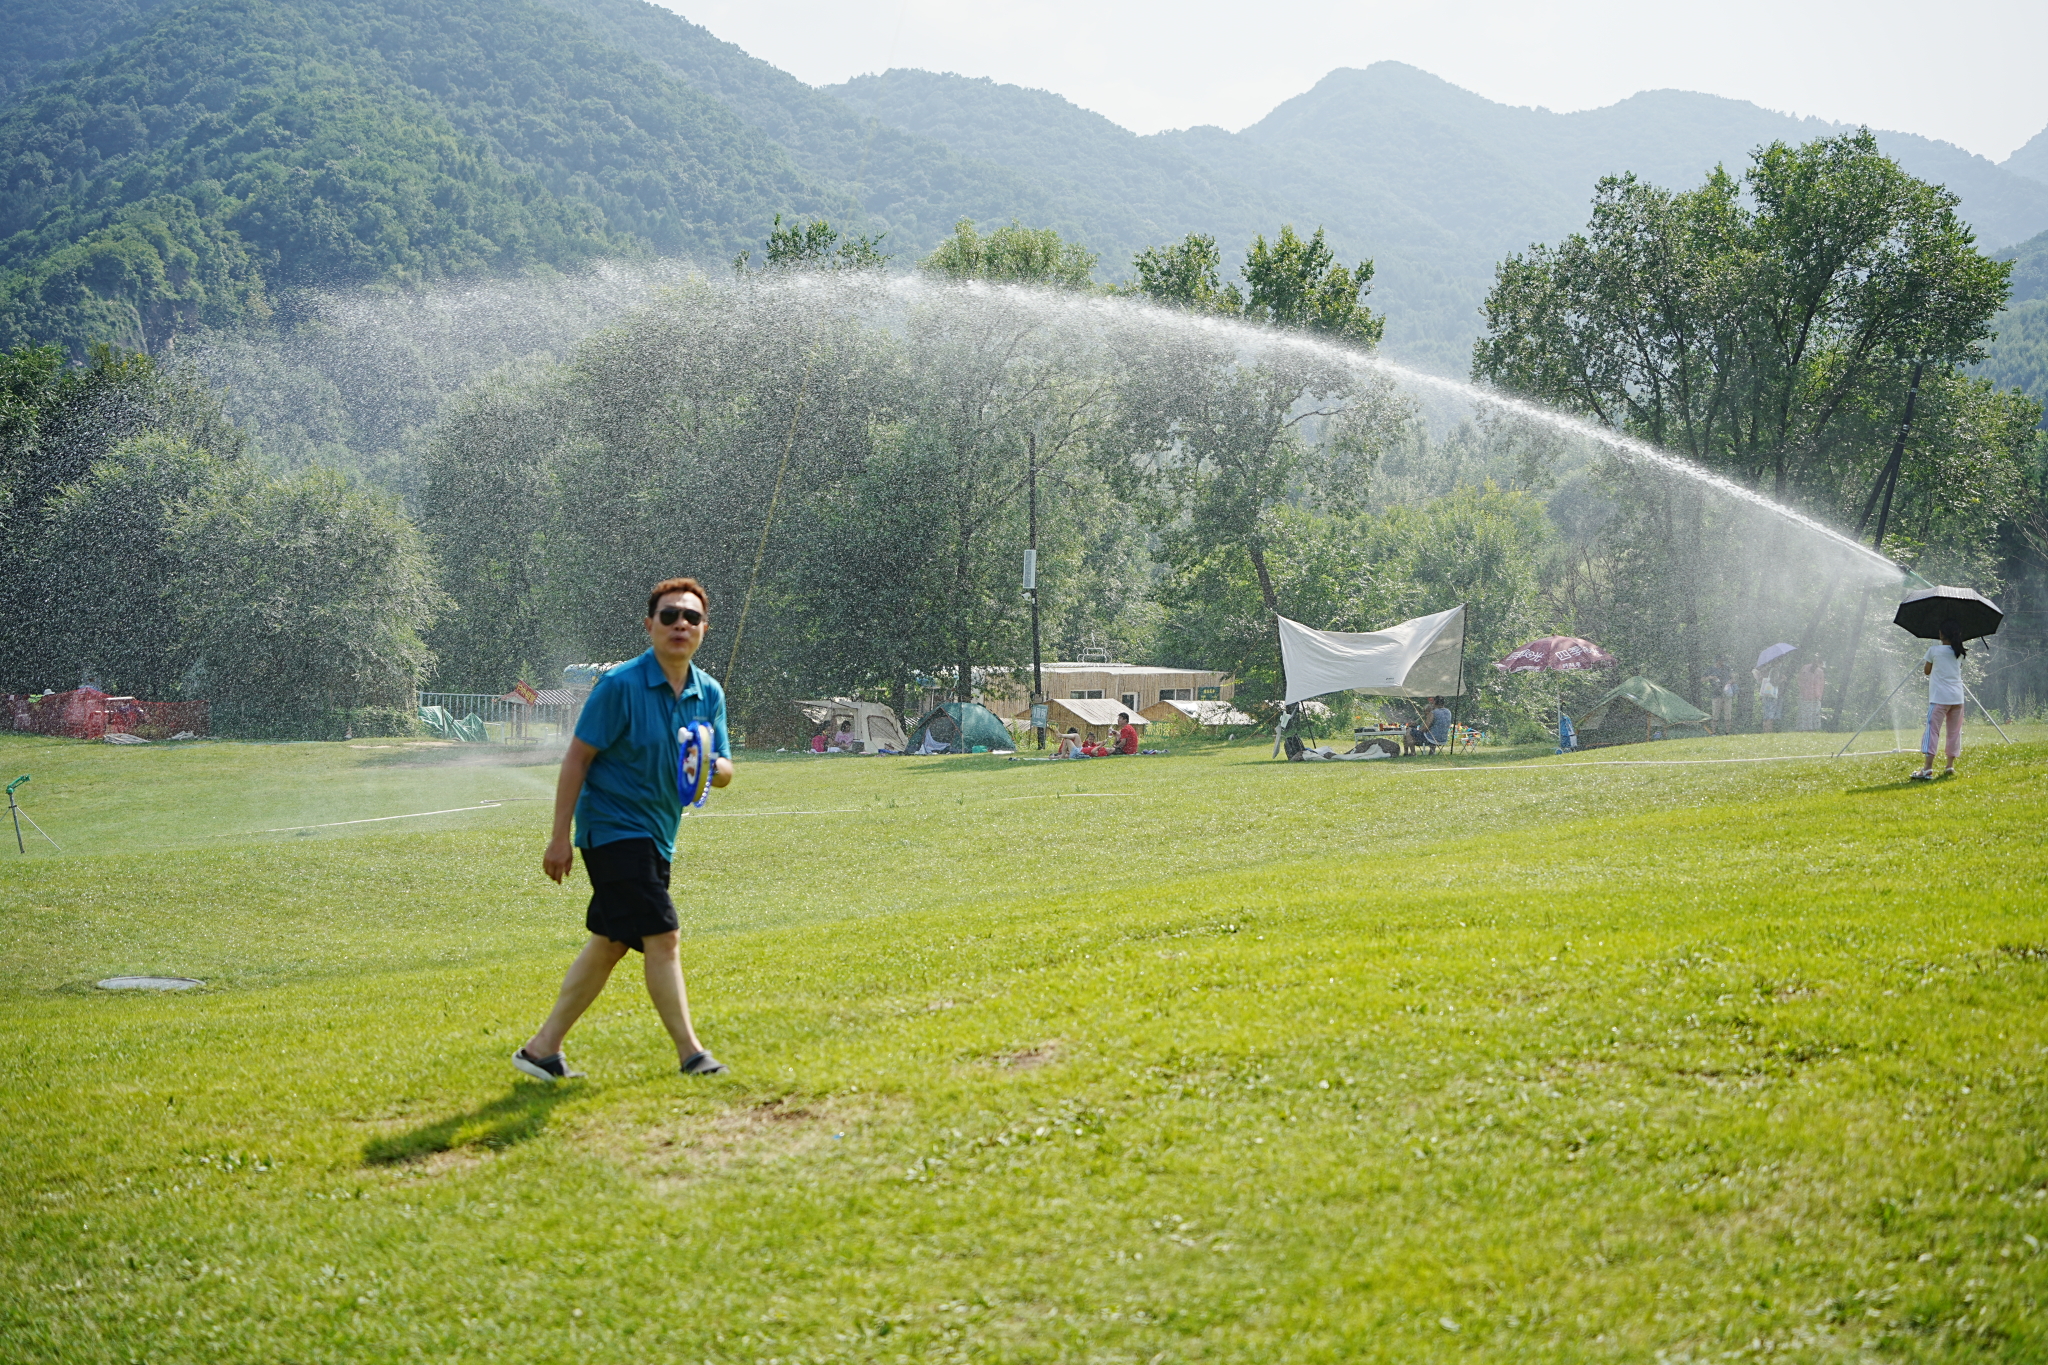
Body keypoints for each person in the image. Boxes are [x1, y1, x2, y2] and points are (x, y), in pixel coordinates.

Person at [515, 577, 734, 1083]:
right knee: (664, 936)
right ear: (649, 625)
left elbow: (724, 770)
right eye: (669, 615)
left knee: (611, 941)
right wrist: (558, 837)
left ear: (704, 628)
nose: (681, 624)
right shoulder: (619, 686)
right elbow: (577, 759)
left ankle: (541, 1049)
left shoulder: (709, 693)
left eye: (692, 617)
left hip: (659, 834)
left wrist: (707, 767)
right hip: (613, 830)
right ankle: (692, 1055)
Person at [1911, 620, 1968, 781]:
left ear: (1941, 634)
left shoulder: (1934, 650)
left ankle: (1928, 768)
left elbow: (1927, 672)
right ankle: (1950, 765)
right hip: (1957, 698)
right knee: (1954, 732)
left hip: (1939, 698)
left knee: (1932, 731)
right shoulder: (1960, 652)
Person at [1704, 657, 1735, 734]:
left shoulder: (1727, 668)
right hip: (1716, 694)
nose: (1722, 663)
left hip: (1726, 694)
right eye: (1720, 661)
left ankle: (1728, 732)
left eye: (1722, 661)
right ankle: (1713, 732)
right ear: (1716, 661)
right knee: (1715, 714)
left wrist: (1729, 682)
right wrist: (1710, 677)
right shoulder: (1710, 669)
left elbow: (1733, 678)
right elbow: (1702, 679)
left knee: (1728, 714)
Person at [1796, 658, 1826, 732]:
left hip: (1804, 695)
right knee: (1814, 714)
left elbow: (1799, 680)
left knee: (1804, 713)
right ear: (1821, 663)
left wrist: (1803, 689)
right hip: (1815, 696)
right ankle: (1811, 730)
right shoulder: (1820, 671)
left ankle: (1802, 729)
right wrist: (1819, 696)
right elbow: (1820, 685)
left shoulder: (1804, 668)